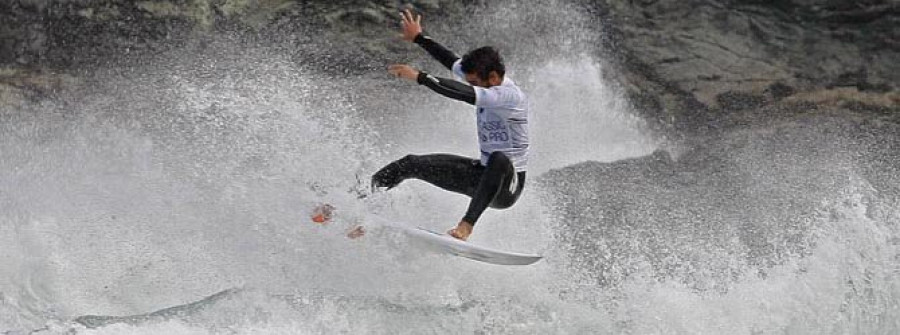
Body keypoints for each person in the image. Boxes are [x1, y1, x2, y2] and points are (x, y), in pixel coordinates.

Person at [360, 9, 529, 241]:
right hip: (480, 177)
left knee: (499, 158)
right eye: (470, 81)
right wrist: (419, 38)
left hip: (507, 188)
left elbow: (461, 92)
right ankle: (357, 203)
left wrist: (421, 77)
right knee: (410, 163)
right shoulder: (484, 78)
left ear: (492, 77)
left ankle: (465, 227)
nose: (470, 84)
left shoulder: (509, 96)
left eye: (474, 82)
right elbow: (451, 61)